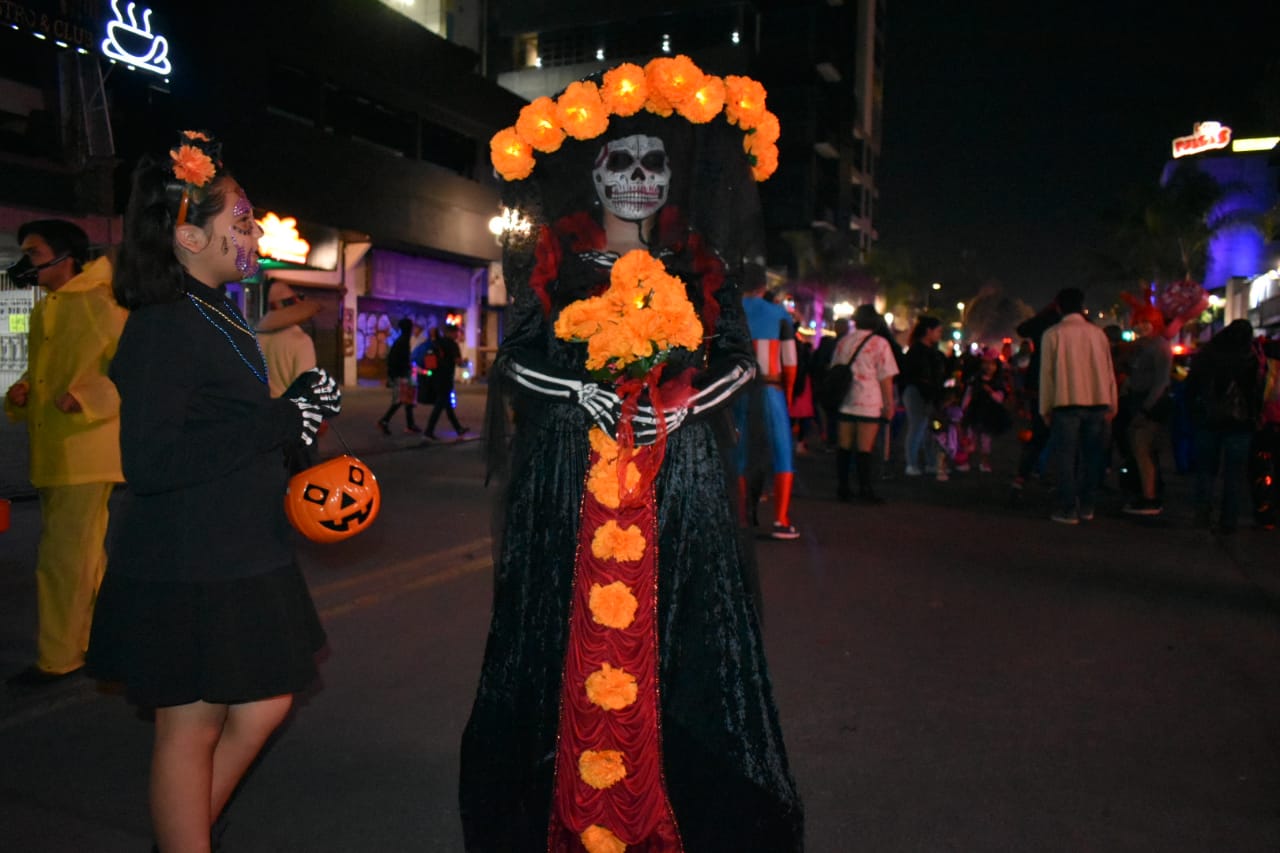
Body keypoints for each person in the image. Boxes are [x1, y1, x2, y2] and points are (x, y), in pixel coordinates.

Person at [461, 61, 803, 852]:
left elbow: (739, 363)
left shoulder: (696, 259)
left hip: (673, 478)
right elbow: (514, 355)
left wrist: (678, 405)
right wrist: (581, 393)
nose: (642, 180)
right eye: (626, 163)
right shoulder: (557, 257)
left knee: (677, 637)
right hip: (567, 478)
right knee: (558, 631)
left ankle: (670, 798)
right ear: (598, 172)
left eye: (656, 164)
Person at [85, 130, 338, 853]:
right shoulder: (165, 324)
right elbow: (153, 460)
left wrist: (297, 420)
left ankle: (184, 831)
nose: (252, 231)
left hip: (236, 544)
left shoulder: (218, 311)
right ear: (188, 234)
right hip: (185, 556)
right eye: (240, 218)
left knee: (264, 704)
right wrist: (280, 418)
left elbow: (232, 426)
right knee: (190, 725)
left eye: (251, 217)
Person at [3, 220, 126, 687]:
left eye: (34, 253)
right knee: (81, 558)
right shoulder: (50, 308)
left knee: (63, 561)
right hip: (57, 449)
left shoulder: (99, 304)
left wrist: (88, 397)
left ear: (65, 257)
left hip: (84, 451)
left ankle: (60, 657)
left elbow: (132, 369)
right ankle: (99, 642)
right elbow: (43, 373)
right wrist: (23, 391)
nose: (27, 263)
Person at [1039, 287, 1117, 524]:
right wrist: (1112, 403)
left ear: (1059, 307)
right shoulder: (1098, 334)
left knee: (1065, 457)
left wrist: (1045, 407)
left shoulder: (1053, 334)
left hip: (1065, 402)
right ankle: (1087, 505)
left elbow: (1047, 375)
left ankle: (1067, 507)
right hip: (1097, 402)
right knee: (1092, 456)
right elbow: (1108, 370)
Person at [736, 284, 801, 539]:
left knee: (740, 453)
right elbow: (790, 361)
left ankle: (741, 517)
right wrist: (789, 394)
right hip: (772, 388)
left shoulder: (733, 310)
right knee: (782, 451)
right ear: (763, 287)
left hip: (739, 390)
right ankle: (781, 519)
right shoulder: (778, 314)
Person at [1186, 320, 1260, 533]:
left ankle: (1202, 514)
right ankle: (1229, 520)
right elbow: (1256, 392)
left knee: (1206, 471)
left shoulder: (1207, 355)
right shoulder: (1250, 359)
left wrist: (1194, 412)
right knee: (1234, 475)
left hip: (1208, 421)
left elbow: (1191, 388)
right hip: (1240, 423)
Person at [831, 303, 899, 502]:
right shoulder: (880, 344)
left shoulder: (844, 342)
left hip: (846, 399)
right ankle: (865, 489)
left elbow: (834, 368)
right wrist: (889, 404)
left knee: (844, 447)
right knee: (864, 449)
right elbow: (885, 377)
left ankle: (843, 487)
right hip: (869, 401)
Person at [1120, 302, 1173, 515]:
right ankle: (1147, 494)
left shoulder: (1159, 346)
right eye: (1138, 322)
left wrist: (1146, 408)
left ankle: (1149, 499)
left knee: (1143, 451)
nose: (1141, 326)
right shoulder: (1145, 345)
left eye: (1145, 322)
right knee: (1140, 450)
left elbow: (1161, 381)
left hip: (1149, 404)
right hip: (1140, 401)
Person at [1011, 300, 1060, 489]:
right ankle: (1057, 475)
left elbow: (1022, 329)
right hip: (1060, 380)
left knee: (1039, 432)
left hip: (1038, 379)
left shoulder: (1041, 323)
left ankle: (1024, 475)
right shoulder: (1065, 324)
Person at [256, 280, 321, 398]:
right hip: (287, 411)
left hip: (261, 408)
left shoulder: (257, 339)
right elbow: (305, 388)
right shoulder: (302, 342)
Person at [898, 315, 946, 475]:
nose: (940, 334)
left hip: (927, 392)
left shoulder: (930, 351)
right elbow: (912, 375)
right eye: (938, 331)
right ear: (928, 331)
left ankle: (930, 463)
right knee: (918, 427)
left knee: (928, 430)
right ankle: (911, 463)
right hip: (917, 392)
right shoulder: (917, 351)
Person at [961, 347, 1013, 472]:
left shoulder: (998, 382)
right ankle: (965, 460)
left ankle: (984, 462)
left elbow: (1000, 398)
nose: (988, 367)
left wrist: (990, 391)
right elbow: (968, 394)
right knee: (970, 437)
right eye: (985, 363)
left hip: (989, 414)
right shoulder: (975, 380)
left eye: (992, 364)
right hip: (974, 411)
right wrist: (963, 408)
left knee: (986, 440)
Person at [422, 323, 470, 441]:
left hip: (435, 377)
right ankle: (429, 430)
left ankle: (458, 429)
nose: (457, 335)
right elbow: (458, 362)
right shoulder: (453, 345)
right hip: (446, 378)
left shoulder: (438, 343)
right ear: (452, 333)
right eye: (456, 332)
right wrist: (465, 363)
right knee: (440, 405)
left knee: (447, 405)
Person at [376, 316, 419, 434]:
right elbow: (396, 360)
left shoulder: (401, 341)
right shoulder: (403, 342)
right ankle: (384, 420)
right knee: (400, 400)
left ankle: (410, 424)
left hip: (401, 374)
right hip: (401, 375)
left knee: (407, 400)